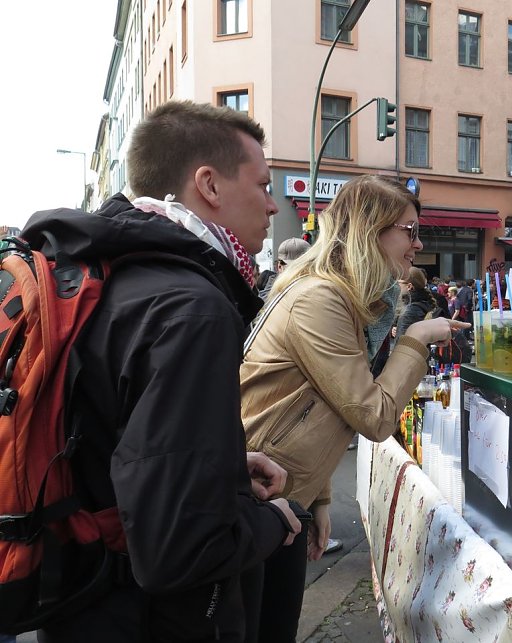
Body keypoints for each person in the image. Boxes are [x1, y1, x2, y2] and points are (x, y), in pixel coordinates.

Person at [24, 101, 301, 641]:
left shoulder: (102, 275)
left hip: (78, 599)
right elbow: (180, 549)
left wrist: (215, 463)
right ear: (210, 185)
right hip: (143, 616)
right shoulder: (191, 310)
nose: (273, 206)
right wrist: (276, 521)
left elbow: (104, 438)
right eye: (264, 185)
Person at [240, 174, 469, 642]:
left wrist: (320, 499)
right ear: (371, 229)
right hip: (254, 501)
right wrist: (416, 338)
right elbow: (373, 415)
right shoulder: (320, 299)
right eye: (409, 230)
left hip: (284, 498)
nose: (418, 243)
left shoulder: (342, 298)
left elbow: (321, 404)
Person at [397, 266, 439, 337]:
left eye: (398, 283)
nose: (396, 287)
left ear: (409, 286)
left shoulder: (410, 311)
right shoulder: (425, 303)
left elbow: (402, 342)